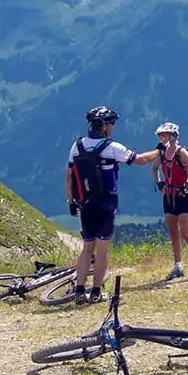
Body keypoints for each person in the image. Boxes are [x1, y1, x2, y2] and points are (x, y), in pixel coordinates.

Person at [64, 106, 162, 302]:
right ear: (104, 127)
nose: (113, 127)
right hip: (106, 204)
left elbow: (69, 178)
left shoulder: (77, 147)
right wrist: (159, 151)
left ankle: (79, 292)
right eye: (112, 124)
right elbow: (140, 160)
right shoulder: (111, 147)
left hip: (85, 204)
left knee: (87, 248)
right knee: (102, 250)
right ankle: (96, 293)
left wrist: (71, 202)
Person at [152, 122, 188, 280]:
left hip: (183, 196)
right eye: (160, 135)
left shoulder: (181, 152)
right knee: (173, 232)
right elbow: (154, 168)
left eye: (164, 135)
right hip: (168, 195)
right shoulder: (161, 153)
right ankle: (178, 266)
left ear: (173, 136)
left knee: (186, 232)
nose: (161, 138)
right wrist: (159, 182)